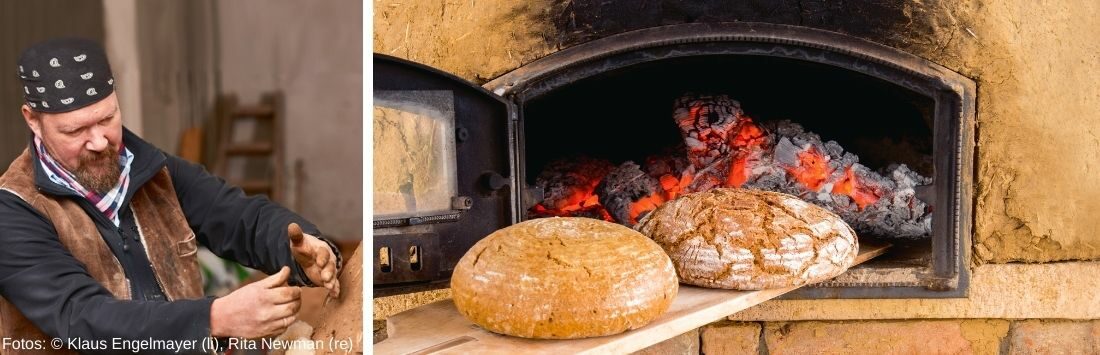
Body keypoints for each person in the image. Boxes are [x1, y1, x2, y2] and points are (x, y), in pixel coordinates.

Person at [0, 38, 342, 354]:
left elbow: (238, 217)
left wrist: (301, 251)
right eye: (75, 130)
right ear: (33, 120)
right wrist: (214, 318)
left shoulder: (152, 170)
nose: (100, 141)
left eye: (107, 118)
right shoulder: (14, 210)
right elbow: (82, 317)